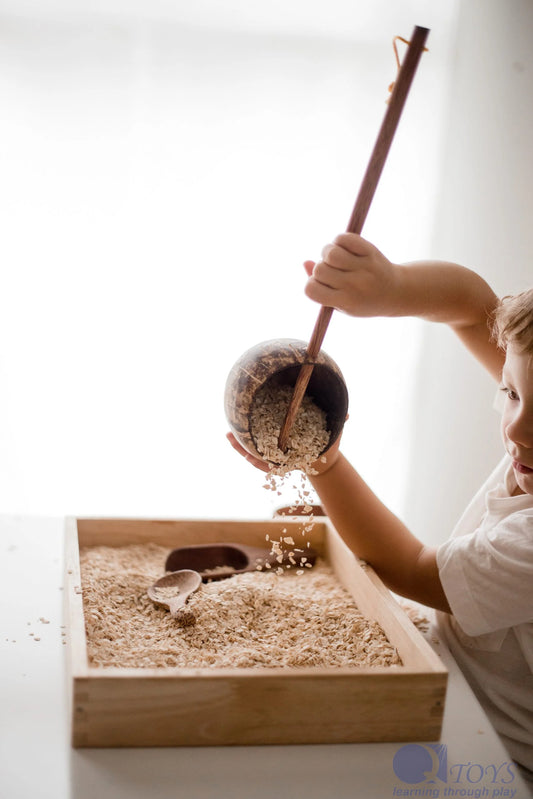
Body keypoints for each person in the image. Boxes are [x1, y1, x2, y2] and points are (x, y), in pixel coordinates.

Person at [227, 232, 533, 783]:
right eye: (512, 392)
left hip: (493, 750)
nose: (516, 428)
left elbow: (411, 568)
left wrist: (323, 465)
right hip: (450, 668)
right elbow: (471, 306)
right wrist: (393, 287)